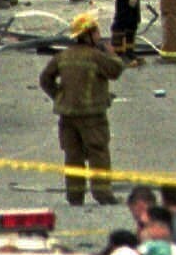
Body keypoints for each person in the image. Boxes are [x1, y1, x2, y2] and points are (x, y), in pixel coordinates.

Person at [38, 12, 125, 206]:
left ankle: (75, 196)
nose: (99, 35)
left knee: (73, 155)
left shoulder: (63, 56)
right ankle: (102, 194)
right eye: (96, 32)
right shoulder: (96, 56)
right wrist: (111, 53)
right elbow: (116, 70)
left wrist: (59, 96)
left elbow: (45, 79)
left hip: (67, 115)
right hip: (92, 115)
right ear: (88, 35)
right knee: (98, 152)